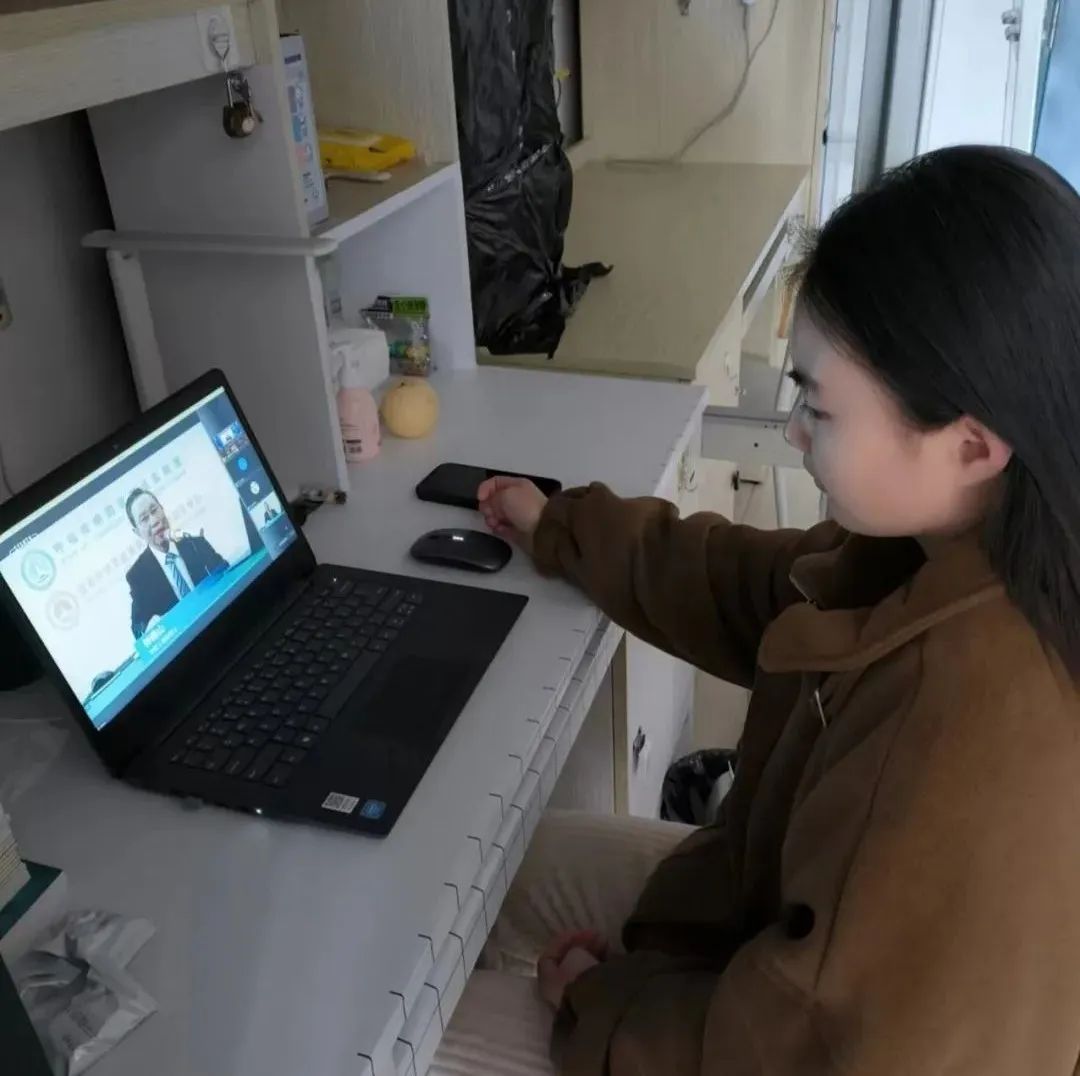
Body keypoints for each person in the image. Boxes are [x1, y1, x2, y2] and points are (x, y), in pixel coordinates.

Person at [431, 146, 1080, 1075]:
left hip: (775, 1035)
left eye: (821, 406)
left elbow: (797, 1049)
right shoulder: (980, 545)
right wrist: (564, 526)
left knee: (390, 1033)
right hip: (762, 936)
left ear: (971, 445)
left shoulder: (973, 732)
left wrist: (596, 1003)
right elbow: (760, 590)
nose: (794, 430)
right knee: (495, 869)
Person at [125, 488, 228, 639]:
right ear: (137, 532)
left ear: (162, 509)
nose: (154, 521)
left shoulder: (193, 541)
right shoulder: (138, 575)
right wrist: (151, 626)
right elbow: (138, 628)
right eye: (144, 519)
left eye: (154, 510)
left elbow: (225, 572)